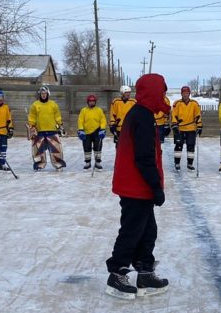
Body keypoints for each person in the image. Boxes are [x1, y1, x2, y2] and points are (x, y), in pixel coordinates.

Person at [105, 73, 171, 299]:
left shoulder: (143, 114)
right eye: (161, 92)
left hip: (138, 185)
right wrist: (156, 187)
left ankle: (144, 270)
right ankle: (117, 273)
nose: (163, 96)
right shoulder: (141, 116)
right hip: (136, 186)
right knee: (132, 230)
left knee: (148, 230)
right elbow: (144, 157)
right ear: (153, 92)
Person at [28, 86, 66, 171]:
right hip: (39, 131)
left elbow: (57, 116)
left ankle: (58, 164)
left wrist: (60, 125)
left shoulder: (53, 104)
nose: (43, 95)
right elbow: (32, 117)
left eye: (45, 93)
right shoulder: (35, 105)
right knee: (38, 150)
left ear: (48, 94)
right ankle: (39, 165)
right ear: (40, 94)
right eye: (42, 93)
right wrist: (32, 126)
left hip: (52, 131)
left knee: (56, 148)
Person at [171, 85, 202, 171]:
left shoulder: (194, 103)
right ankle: (177, 163)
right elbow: (174, 115)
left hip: (191, 129)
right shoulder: (177, 103)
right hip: (180, 129)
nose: (185, 95)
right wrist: (174, 125)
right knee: (178, 146)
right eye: (184, 93)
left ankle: (190, 163)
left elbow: (198, 116)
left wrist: (199, 126)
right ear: (181, 94)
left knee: (191, 146)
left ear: (189, 94)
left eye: (187, 93)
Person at [77, 94, 107, 170]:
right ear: (88, 102)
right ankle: (88, 162)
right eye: (90, 101)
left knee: (98, 147)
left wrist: (102, 129)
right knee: (87, 147)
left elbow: (103, 120)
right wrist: (81, 130)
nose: (92, 102)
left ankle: (98, 162)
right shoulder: (84, 110)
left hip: (97, 131)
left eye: (93, 101)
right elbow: (80, 120)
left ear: (95, 102)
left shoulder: (99, 110)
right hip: (86, 132)